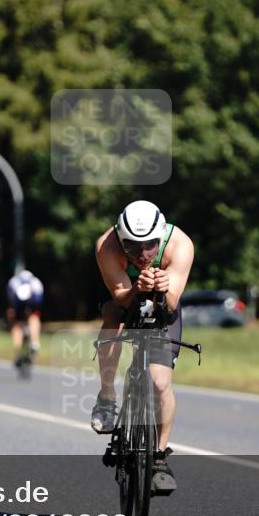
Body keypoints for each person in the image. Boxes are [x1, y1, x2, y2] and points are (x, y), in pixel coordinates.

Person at [92, 200, 194, 493]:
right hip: (125, 293)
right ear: (120, 238)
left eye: (150, 245)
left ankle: (159, 458)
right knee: (112, 319)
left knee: (160, 383)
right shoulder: (107, 246)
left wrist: (163, 288)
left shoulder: (180, 244)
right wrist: (137, 288)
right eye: (133, 247)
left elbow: (171, 304)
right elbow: (121, 298)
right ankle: (107, 396)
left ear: (160, 237)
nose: (143, 255)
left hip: (163, 302)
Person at [6, 269, 44, 365]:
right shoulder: (13, 286)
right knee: (16, 325)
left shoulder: (36, 287)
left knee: (34, 318)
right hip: (17, 305)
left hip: (33, 304)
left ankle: (34, 343)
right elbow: (11, 306)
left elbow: (38, 306)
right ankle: (18, 350)